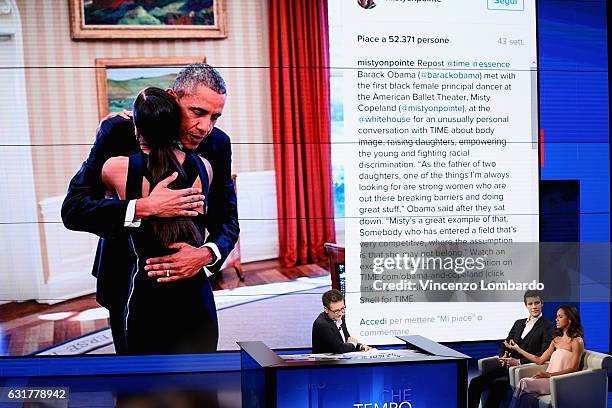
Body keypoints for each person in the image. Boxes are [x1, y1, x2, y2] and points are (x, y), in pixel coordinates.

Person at [61, 63, 239, 353]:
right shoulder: (118, 131)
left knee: (200, 380)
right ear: (172, 97)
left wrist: (205, 254)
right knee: (138, 387)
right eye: (197, 112)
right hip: (127, 280)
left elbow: (227, 219)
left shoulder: (218, 144)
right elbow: (74, 209)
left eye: (215, 117)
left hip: (192, 286)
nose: (206, 127)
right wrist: (143, 207)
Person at [101, 87, 216, 354]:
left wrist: (104, 127)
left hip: (150, 293)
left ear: (136, 128)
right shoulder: (204, 167)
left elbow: (99, 205)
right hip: (196, 293)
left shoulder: (116, 169)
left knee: (146, 386)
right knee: (202, 383)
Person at [467, 290, 554, 408]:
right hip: (505, 368)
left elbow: (542, 354)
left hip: (523, 371)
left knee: (498, 386)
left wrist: (518, 362)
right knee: (474, 383)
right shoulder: (518, 323)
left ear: (542, 303)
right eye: (530, 304)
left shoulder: (547, 326)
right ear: (526, 305)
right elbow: (505, 343)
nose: (534, 307)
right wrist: (503, 356)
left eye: (537, 303)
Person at [503, 305, 585, 408]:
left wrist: (550, 375)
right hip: (548, 379)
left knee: (524, 382)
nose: (556, 319)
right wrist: (518, 349)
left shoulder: (577, 341)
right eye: (557, 316)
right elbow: (540, 360)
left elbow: (574, 368)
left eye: (560, 317)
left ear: (569, 320)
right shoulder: (556, 340)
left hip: (560, 382)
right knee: (526, 396)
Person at [312, 289, 372, 353]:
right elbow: (339, 348)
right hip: (327, 362)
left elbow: (347, 340)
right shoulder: (322, 324)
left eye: (342, 308)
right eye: (336, 311)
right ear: (326, 309)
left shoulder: (339, 317)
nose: (341, 313)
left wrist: (360, 346)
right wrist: (353, 344)